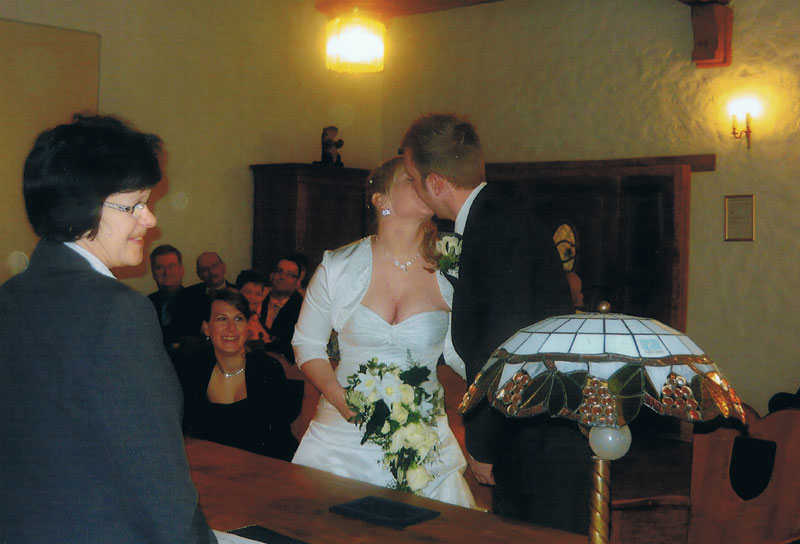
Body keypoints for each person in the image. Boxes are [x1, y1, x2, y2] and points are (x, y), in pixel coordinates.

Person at [0, 114, 215, 543]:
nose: (149, 219)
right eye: (133, 204)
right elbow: (156, 481)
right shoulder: (118, 311)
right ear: (82, 205)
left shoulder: (11, 296)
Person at [402, 113, 586, 533]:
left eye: (412, 178)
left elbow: (499, 348)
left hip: (536, 434)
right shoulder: (495, 217)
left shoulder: (495, 229)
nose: (412, 187)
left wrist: (483, 443)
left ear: (435, 183)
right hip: (532, 426)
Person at [291, 157, 476, 508]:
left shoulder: (453, 265)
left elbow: (461, 351)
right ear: (381, 199)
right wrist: (340, 399)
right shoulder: (339, 266)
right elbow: (307, 343)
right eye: (411, 179)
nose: (425, 182)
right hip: (343, 438)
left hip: (424, 437)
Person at [181, 289, 300, 461]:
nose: (231, 328)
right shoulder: (194, 369)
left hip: (265, 470)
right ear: (206, 328)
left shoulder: (267, 368)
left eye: (238, 319)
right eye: (222, 319)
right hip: (211, 467)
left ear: (247, 326)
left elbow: (277, 441)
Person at [260, 256, 305, 361]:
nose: (282, 277)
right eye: (279, 271)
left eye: (289, 275)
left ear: (298, 282)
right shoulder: (258, 299)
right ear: (271, 275)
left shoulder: (302, 309)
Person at [148, 244, 192, 348]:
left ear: (182, 270)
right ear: (153, 273)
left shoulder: (198, 301)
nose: (167, 272)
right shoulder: (146, 304)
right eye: (160, 267)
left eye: (171, 266)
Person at [182, 251, 233, 338]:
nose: (211, 272)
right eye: (204, 269)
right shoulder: (187, 295)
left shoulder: (239, 291)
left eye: (214, 266)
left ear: (224, 267)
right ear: (199, 275)